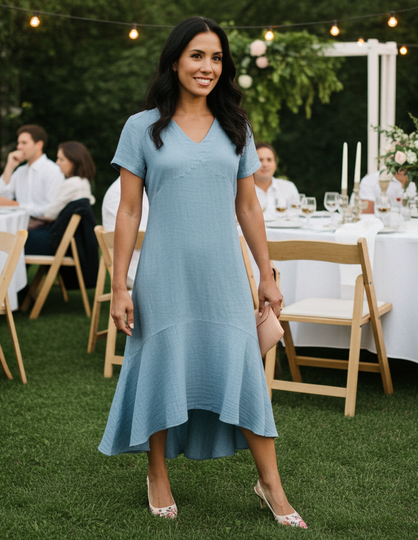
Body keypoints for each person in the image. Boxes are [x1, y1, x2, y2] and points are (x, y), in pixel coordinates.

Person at [98, 17, 306, 528]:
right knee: (160, 365)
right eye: (197, 56)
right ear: (175, 60)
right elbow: (127, 212)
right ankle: (156, 472)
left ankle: (270, 484)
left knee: (243, 370)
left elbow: (249, 209)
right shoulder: (141, 128)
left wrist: (267, 272)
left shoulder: (236, 126)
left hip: (222, 276)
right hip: (164, 274)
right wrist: (119, 285)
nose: (207, 67)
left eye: (215, 58)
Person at [24, 141, 96, 255]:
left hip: (58, 242)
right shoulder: (84, 183)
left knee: (16, 239)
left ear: (74, 162)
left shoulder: (72, 184)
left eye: (61, 159)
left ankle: (10, 272)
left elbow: (49, 214)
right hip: (71, 242)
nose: (57, 162)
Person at [0, 124, 64, 227]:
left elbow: (52, 208)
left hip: (44, 227)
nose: (19, 147)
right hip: (19, 225)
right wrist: (9, 167)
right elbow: (0, 198)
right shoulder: (20, 171)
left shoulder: (52, 170)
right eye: (18, 143)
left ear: (39, 144)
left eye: (24, 143)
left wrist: (18, 206)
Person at [102, 177, 149, 288]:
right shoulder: (125, 190)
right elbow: (142, 235)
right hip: (133, 268)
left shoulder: (125, 187)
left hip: (130, 265)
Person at [253, 142, 299, 216]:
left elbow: (296, 215)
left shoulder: (289, 187)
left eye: (269, 160)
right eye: (260, 160)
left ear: (275, 164)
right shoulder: (241, 190)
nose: (265, 164)